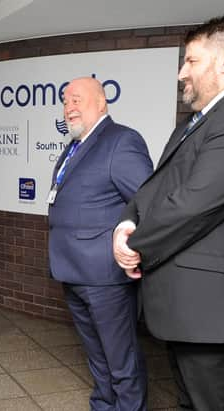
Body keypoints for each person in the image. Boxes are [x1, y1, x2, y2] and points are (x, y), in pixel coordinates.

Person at [113, 16, 224, 411]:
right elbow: (157, 185)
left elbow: (194, 203)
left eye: (191, 61)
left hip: (219, 315)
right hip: (195, 311)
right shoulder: (201, 120)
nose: (181, 73)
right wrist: (128, 220)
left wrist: (134, 245)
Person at [48, 77, 153, 410]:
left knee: (122, 361)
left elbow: (147, 202)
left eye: (77, 99)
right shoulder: (76, 145)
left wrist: (131, 243)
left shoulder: (121, 140)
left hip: (105, 276)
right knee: (97, 356)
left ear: (102, 102)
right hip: (74, 272)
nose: (69, 107)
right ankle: (104, 405)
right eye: (65, 102)